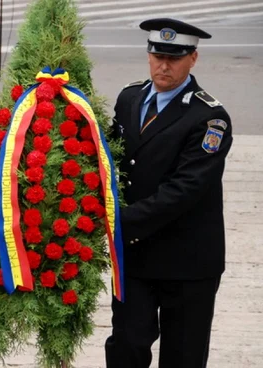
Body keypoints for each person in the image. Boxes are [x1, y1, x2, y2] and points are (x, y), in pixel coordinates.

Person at [105, 18, 233, 368]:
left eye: (174, 57)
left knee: (182, 357)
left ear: (193, 59)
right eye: (157, 55)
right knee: (126, 346)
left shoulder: (209, 118)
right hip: (136, 256)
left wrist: (118, 220)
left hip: (187, 261)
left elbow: (184, 190)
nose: (164, 65)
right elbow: (111, 156)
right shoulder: (130, 98)